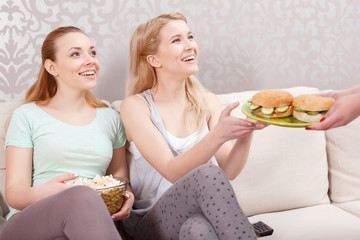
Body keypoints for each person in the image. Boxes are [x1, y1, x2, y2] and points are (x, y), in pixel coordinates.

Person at [120, 12, 267, 240]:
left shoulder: (207, 101)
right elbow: (171, 170)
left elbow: (229, 170)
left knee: (198, 231)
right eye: (176, 40)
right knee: (207, 173)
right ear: (154, 60)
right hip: (152, 223)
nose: (190, 45)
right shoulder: (136, 107)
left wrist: (246, 132)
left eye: (190, 37)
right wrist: (216, 136)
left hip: (197, 215)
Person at [0, 26, 134, 240]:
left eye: (92, 52)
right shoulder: (26, 116)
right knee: (81, 195)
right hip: (29, 220)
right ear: (52, 67)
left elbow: (119, 177)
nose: (90, 60)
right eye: (75, 54)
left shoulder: (111, 118)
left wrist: (127, 195)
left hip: (90, 218)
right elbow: (15, 194)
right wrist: (53, 191)